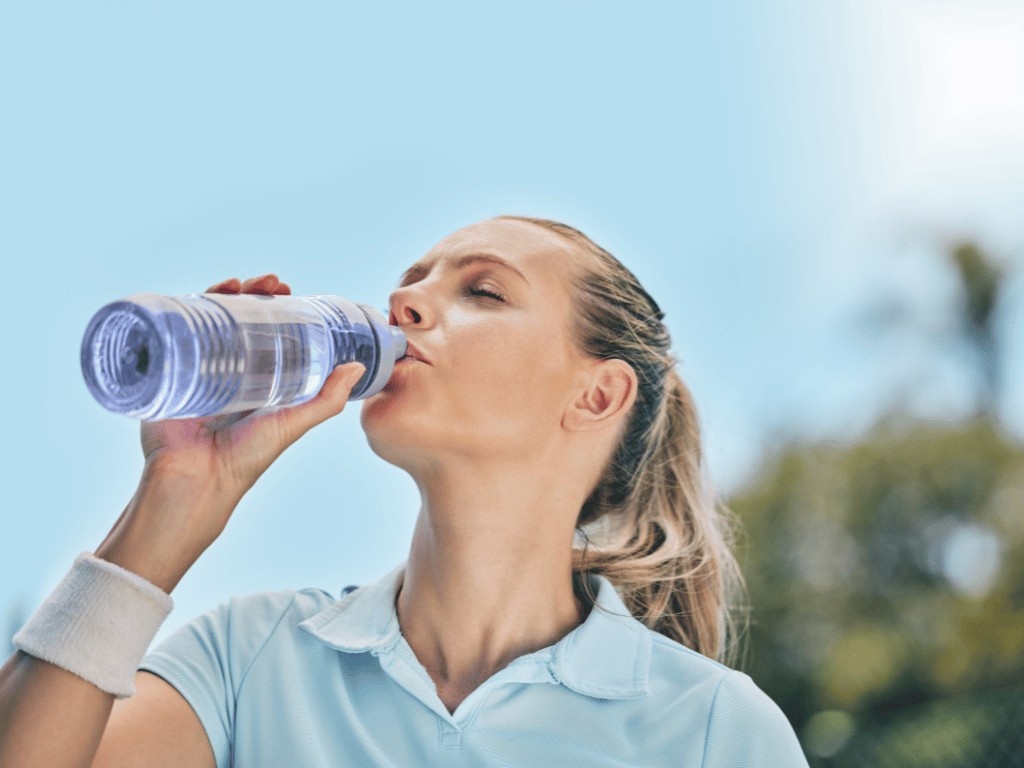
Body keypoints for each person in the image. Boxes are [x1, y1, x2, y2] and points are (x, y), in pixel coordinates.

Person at [0, 216, 810, 767]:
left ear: (596, 396)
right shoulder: (251, 659)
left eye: (482, 291)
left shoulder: (711, 729)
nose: (404, 303)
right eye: (411, 282)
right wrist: (167, 503)